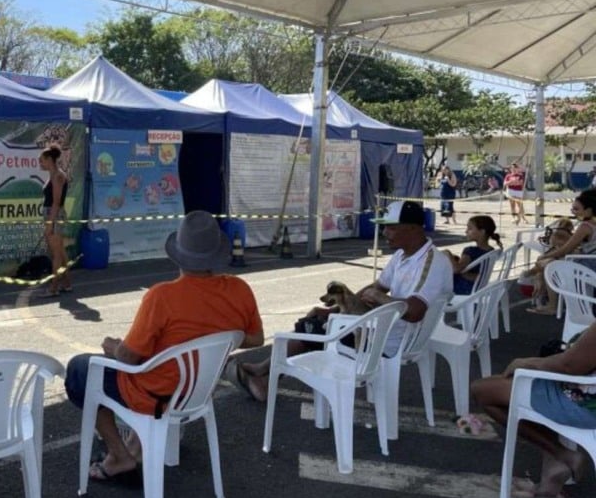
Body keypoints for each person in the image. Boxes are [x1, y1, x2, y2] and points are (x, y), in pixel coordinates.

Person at [64, 210, 264, 483]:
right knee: (155, 364)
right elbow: (256, 339)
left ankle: (119, 455)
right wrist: (216, 335)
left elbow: (129, 360)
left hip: (155, 394)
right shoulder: (240, 290)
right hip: (196, 392)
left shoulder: (162, 296)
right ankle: (136, 445)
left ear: (179, 254)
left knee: (80, 370)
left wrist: (113, 347)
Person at [236, 200, 453, 402]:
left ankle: (264, 375)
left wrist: (378, 299)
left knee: (312, 328)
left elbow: (414, 312)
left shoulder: (433, 263)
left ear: (414, 228)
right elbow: (378, 286)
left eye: (391, 227)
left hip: (387, 342)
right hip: (382, 331)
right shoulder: (403, 255)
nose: (385, 232)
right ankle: (264, 372)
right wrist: (338, 309)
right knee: (318, 320)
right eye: (384, 226)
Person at [471, 321, 596, 498]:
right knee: (512, 384)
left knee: (482, 391)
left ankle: (562, 454)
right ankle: (555, 461)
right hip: (584, 396)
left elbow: (570, 365)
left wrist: (527, 363)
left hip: (582, 403)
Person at [522, 189, 596, 315]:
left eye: (576, 209)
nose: (572, 211)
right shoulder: (592, 224)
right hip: (589, 261)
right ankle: (536, 277)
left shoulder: (585, 226)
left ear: (588, 210)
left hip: (589, 265)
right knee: (547, 262)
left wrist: (545, 255)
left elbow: (566, 249)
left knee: (549, 266)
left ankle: (552, 305)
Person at [38, 144, 72, 297]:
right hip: (52, 215)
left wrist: (50, 224)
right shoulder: (53, 175)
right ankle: (66, 283)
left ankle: (53, 288)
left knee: (56, 254)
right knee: (61, 252)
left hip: (55, 215)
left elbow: (56, 202)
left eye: (42, 160)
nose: (40, 163)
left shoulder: (58, 176)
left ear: (50, 160)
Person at [444, 216, 502, 295]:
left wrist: (448, 253)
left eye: (470, 228)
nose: (466, 231)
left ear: (482, 231)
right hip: (477, 289)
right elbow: (478, 276)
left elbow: (456, 269)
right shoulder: (491, 251)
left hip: (460, 289)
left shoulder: (470, 251)